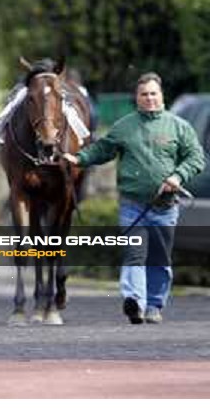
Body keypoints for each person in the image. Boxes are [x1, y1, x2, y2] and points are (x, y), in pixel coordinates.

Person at [64, 72, 205, 324]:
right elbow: (102, 149)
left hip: (165, 207)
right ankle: (134, 302)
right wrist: (79, 159)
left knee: (159, 259)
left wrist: (177, 176)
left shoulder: (179, 126)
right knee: (134, 255)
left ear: (161, 95)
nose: (149, 98)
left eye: (153, 93)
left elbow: (196, 158)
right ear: (137, 98)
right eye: (144, 94)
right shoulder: (124, 126)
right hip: (132, 205)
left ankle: (154, 304)